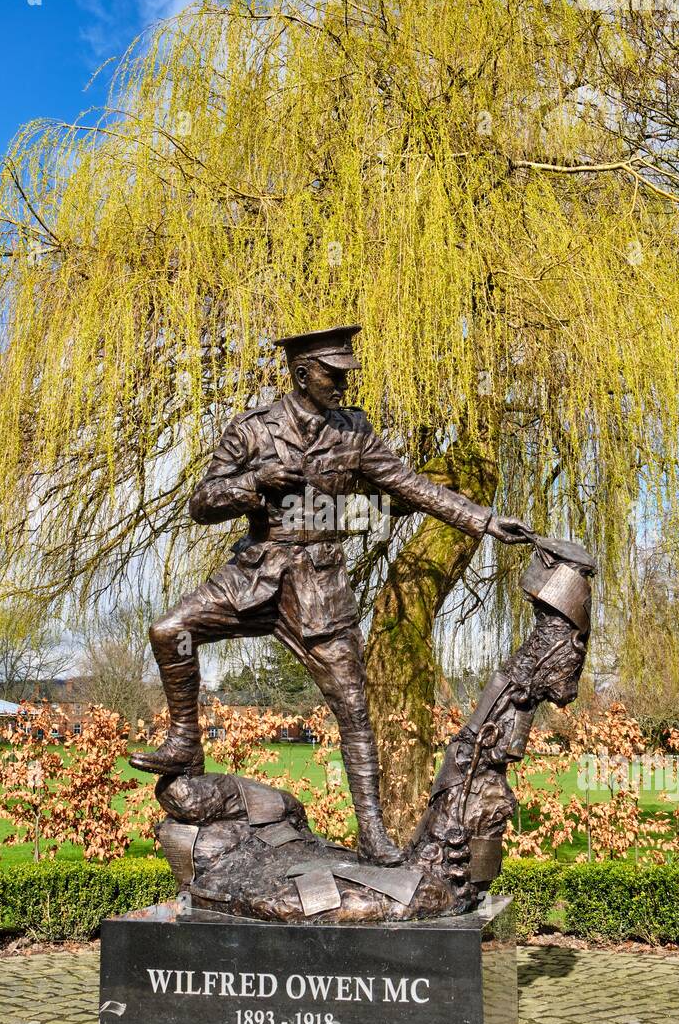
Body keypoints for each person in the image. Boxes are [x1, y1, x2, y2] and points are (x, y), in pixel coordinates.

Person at [130, 325, 529, 864]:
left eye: (345, 374)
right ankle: (184, 739)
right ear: (302, 373)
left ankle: (373, 835)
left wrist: (482, 520)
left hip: (319, 587)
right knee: (170, 630)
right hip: (257, 573)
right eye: (333, 374)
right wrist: (257, 482)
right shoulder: (253, 432)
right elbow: (202, 502)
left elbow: (411, 486)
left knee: (353, 709)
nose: (343, 383)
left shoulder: (353, 432)